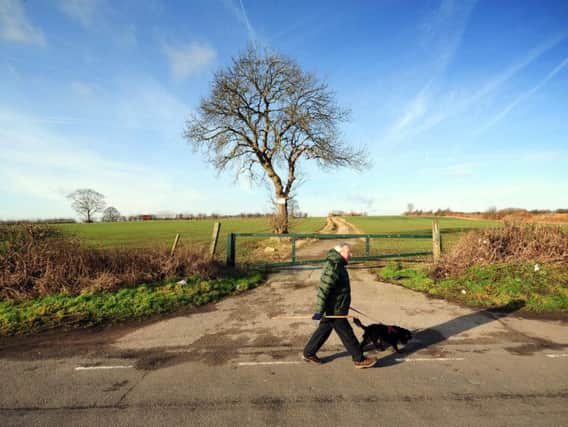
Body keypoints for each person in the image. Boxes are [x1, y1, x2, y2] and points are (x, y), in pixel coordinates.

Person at [302, 243, 376, 368]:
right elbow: (324, 289)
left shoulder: (338, 264)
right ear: (340, 252)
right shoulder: (334, 266)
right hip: (335, 309)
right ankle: (359, 358)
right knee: (347, 333)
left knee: (324, 330)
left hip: (336, 306)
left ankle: (309, 353)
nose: (351, 255)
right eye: (348, 252)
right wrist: (319, 310)